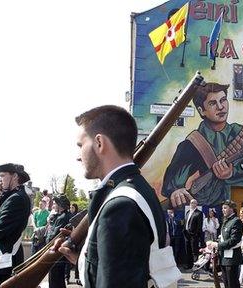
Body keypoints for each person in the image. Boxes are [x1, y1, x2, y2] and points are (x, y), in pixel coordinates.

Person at [57, 105, 167, 287]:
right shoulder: (135, 190)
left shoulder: (120, 206)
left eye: (81, 145)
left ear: (99, 143)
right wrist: (84, 258)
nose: (78, 156)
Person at [162, 82, 243, 207]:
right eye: (212, 103)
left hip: (242, 202)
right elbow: (173, 179)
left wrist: (233, 172)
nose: (221, 107)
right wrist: (175, 190)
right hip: (210, 205)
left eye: (223, 100)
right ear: (202, 111)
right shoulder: (193, 143)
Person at [0, 163, 31, 288]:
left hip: (5, 259)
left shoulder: (17, 198)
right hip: (2, 258)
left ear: (14, 176)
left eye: (3, 175)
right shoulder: (10, 197)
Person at [207, 200, 243, 288]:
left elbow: (234, 240)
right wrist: (214, 243)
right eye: (222, 208)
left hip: (232, 258)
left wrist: (217, 245)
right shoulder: (226, 221)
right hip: (224, 257)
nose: (223, 210)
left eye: (225, 208)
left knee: (232, 284)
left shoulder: (236, 221)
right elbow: (224, 238)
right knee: (226, 283)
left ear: (232, 209)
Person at [46, 195, 72, 288]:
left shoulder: (62, 217)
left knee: (55, 280)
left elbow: (52, 236)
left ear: (60, 205)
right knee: (58, 280)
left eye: (54, 203)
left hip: (56, 253)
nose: (53, 206)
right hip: (60, 254)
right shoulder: (64, 216)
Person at [184, 199, 203, 269]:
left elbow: (199, 225)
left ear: (196, 204)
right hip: (186, 235)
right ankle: (189, 265)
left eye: (194, 203)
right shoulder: (188, 212)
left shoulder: (199, 213)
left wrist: (195, 234)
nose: (192, 204)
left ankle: (195, 267)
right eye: (191, 203)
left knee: (194, 251)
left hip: (193, 235)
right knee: (188, 250)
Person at [65, 203, 81, 285]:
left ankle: (77, 277)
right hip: (70, 239)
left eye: (73, 207)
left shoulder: (78, 216)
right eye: (70, 207)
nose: (71, 209)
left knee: (77, 259)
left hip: (77, 240)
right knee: (68, 260)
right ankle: (67, 277)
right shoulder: (68, 216)